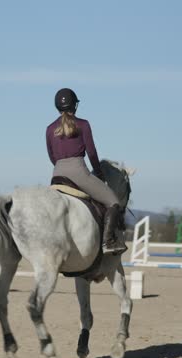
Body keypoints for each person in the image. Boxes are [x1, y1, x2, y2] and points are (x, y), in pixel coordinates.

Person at [46, 87, 127, 255]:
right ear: (75, 105)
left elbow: (52, 156)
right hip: (78, 171)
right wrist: (98, 172)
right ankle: (108, 241)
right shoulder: (83, 124)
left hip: (57, 174)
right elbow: (91, 152)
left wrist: (61, 167)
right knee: (113, 201)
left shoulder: (49, 129)